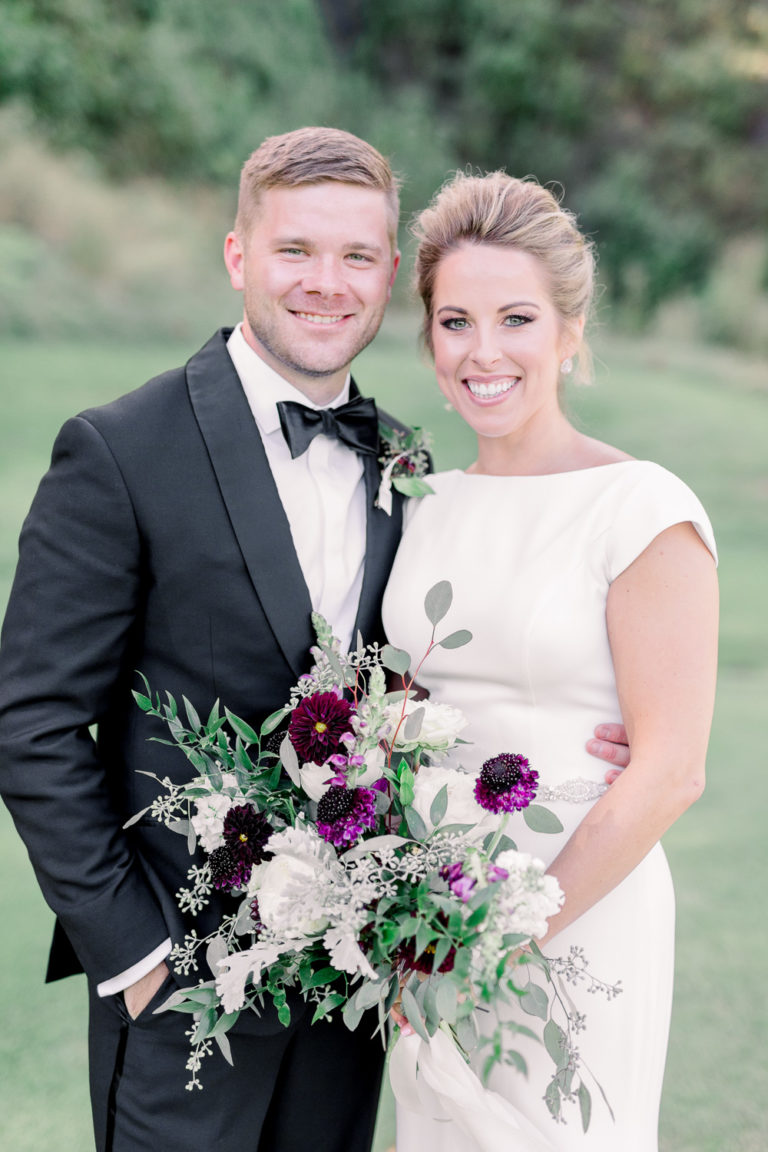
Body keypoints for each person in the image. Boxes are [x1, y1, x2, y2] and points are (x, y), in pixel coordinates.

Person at [0, 131, 628, 1152]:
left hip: (354, 991)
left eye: (357, 257)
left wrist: (583, 737)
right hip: (182, 992)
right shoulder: (121, 449)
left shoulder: (404, 465)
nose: (326, 284)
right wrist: (138, 956)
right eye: (296, 251)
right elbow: (30, 724)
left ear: (388, 274)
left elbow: (439, 675)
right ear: (239, 256)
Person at [382, 171, 718, 1151]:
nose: (483, 352)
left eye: (516, 318)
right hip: (426, 925)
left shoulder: (643, 510)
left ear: (571, 331)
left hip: (574, 917)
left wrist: (497, 942)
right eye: (455, 321)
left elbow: (670, 769)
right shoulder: (421, 506)